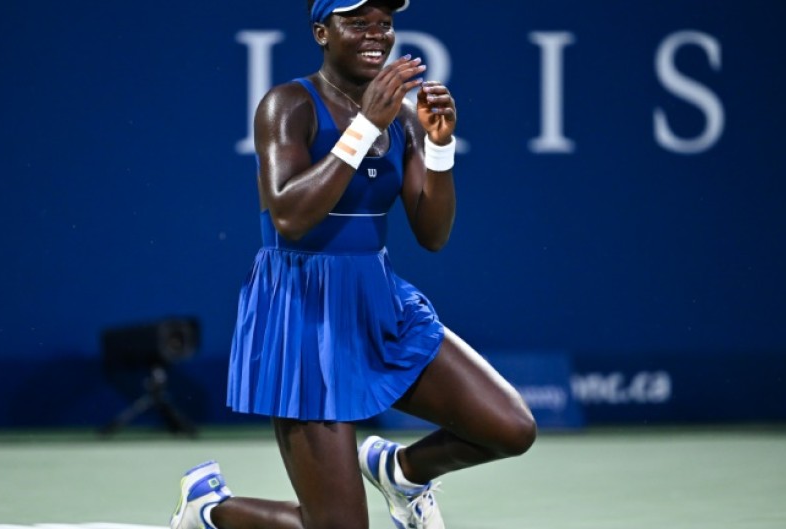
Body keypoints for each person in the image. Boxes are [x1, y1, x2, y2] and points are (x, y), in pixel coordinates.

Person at [170, 1, 537, 528]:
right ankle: (211, 510)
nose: (375, 34)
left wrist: (439, 147)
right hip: (301, 314)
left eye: (384, 24)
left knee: (509, 427)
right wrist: (366, 126)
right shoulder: (288, 105)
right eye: (357, 22)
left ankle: (402, 473)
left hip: (378, 304)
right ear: (322, 32)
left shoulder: (403, 118)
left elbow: (432, 235)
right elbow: (292, 215)